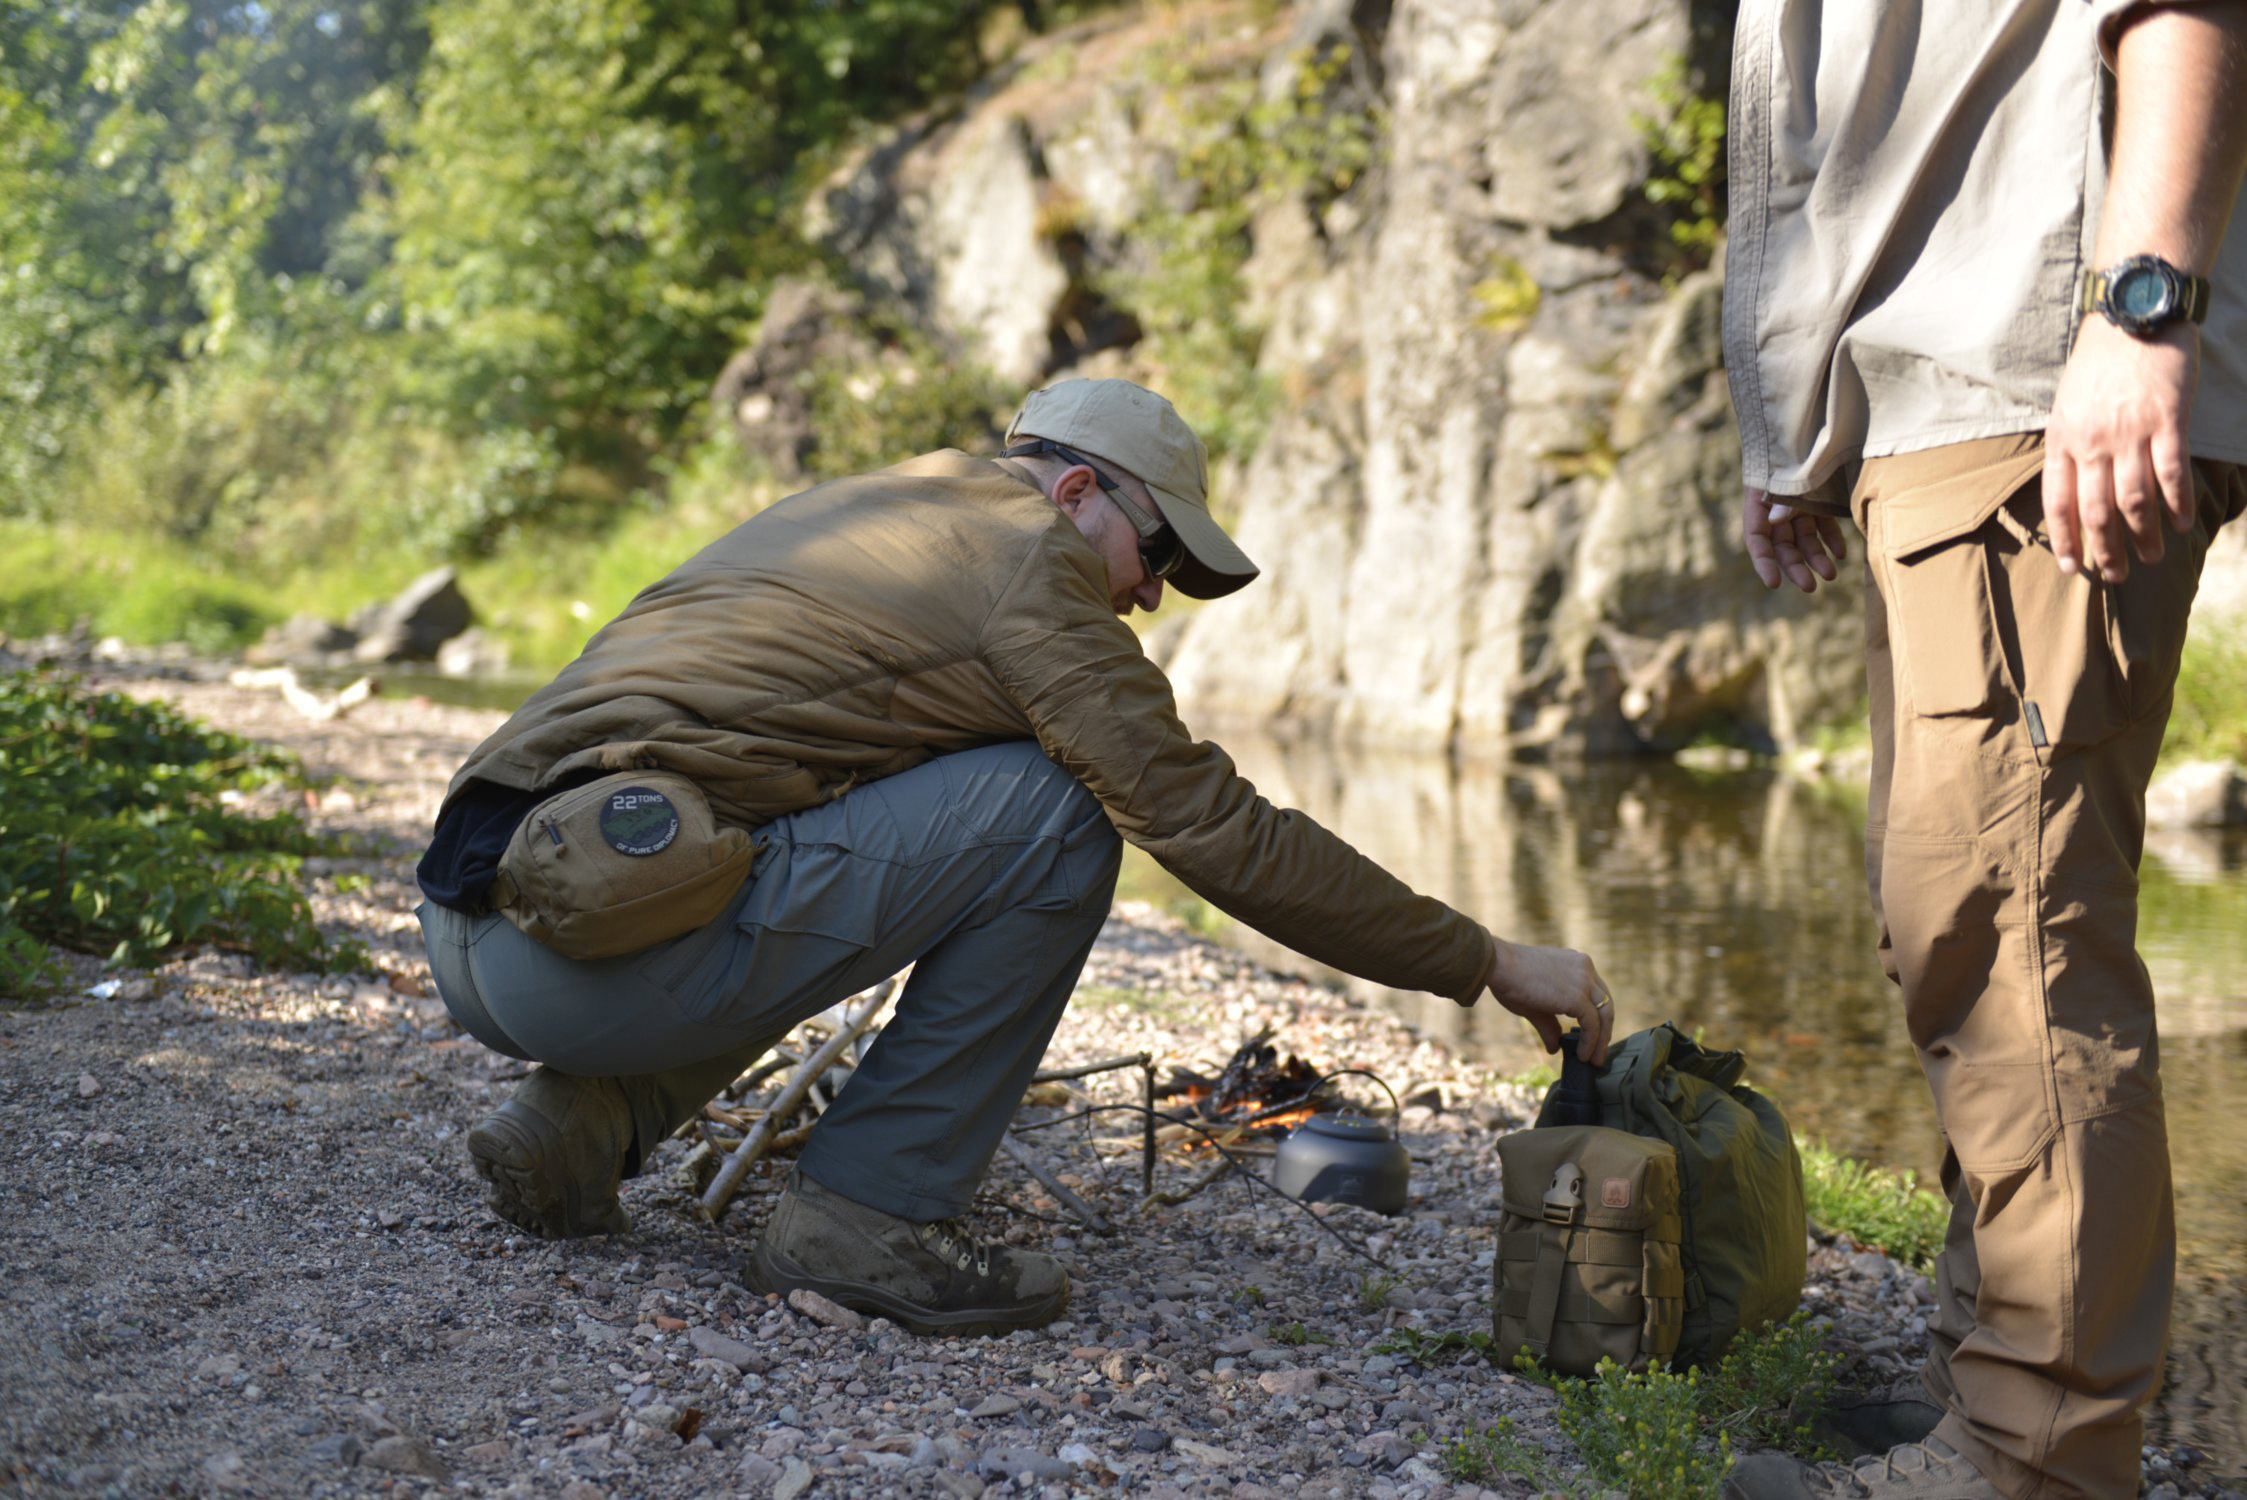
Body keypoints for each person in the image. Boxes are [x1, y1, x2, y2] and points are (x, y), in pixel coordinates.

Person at [414, 377, 1613, 1337]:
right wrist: (1487, 960)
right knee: (1060, 812)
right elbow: (1211, 828)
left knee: (846, 824)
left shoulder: (873, 509)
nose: (1148, 600)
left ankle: (578, 1127)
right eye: (1156, 557)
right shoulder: (1028, 565)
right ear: (1079, 490)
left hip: (485, 923)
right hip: (580, 956)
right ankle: (867, 1218)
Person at [1719, 2, 2247, 1496]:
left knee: (2013, 937)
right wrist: (1797, 424)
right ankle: (1994, 1381)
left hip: (2037, 383)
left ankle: (2036, 1456)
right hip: (1930, 409)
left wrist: (2139, 314)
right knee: (1949, 928)